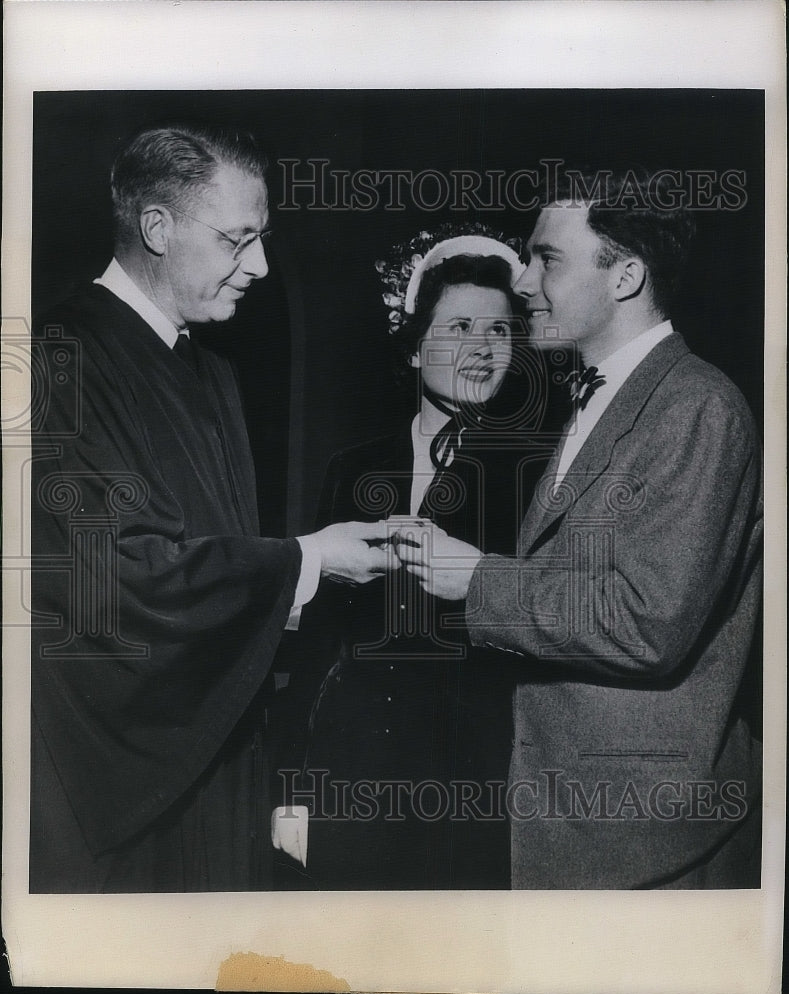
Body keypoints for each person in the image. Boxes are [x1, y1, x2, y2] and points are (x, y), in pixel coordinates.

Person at [30, 124, 394, 892]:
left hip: (223, 754)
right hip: (126, 780)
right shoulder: (59, 357)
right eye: (238, 240)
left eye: (262, 240)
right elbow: (117, 580)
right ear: (157, 227)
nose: (257, 266)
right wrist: (308, 558)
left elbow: (215, 560)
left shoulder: (212, 371)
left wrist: (305, 570)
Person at [396, 170, 763, 889]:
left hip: (643, 846)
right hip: (570, 826)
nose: (525, 282)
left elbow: (644, 623)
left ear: (625, 276)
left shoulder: (696, 407)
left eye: (547, 259)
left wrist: (476, 578)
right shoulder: (598, 400)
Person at [273, 226, 560, 890]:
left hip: (478, 792)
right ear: (412, 349)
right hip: (351, 780)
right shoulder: (355, 468)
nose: (483, 349)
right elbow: (319, 642)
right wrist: (291, 790)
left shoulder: (537, 474)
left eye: (499, 331)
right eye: (459, 325)